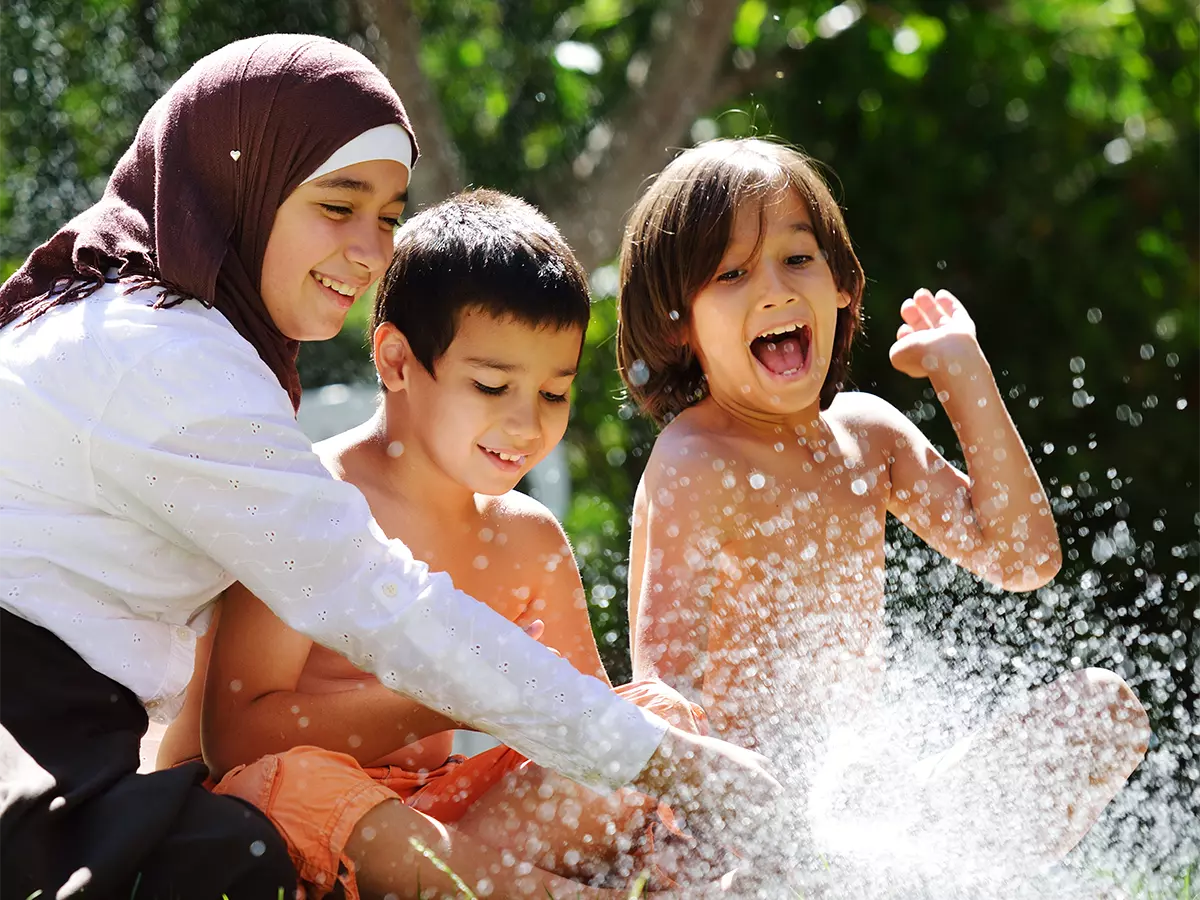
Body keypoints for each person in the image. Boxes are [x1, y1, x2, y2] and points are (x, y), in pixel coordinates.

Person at [0, 37, 776, 899]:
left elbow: (567, 714)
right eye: (336, 206)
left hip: (81, 732)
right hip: (37, 724)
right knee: (264, 827)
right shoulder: (169, 362)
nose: (370, 252)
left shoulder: (162, 327)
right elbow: (371, 607)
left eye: (386, 215)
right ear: (242, 182)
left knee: (643, 727)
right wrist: (670, 763)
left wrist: (648, 753)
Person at [615, 138, 1151, 877]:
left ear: (841, 284)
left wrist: (965, 375)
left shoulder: (867, 436)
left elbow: (1025, 560)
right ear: (678, 321)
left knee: (1104, 712)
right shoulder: (695, 463)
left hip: (865, 808)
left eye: (797, 258)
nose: (773, 288)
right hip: (749, 827)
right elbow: (664, 692)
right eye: (733, 273)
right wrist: (697, 833)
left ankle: (953, 879)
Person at [159, 189, 710, 899]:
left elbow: (590, 732)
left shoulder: (528, 541)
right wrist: (450, 696)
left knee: (654, 720)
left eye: (553, 394)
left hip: (446, 830)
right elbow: (233, 743)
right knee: (293, 782)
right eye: (491, 385)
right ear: (395, 362)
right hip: (285, 825)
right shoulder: (312, 505)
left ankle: (518, 884)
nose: (525, 424)